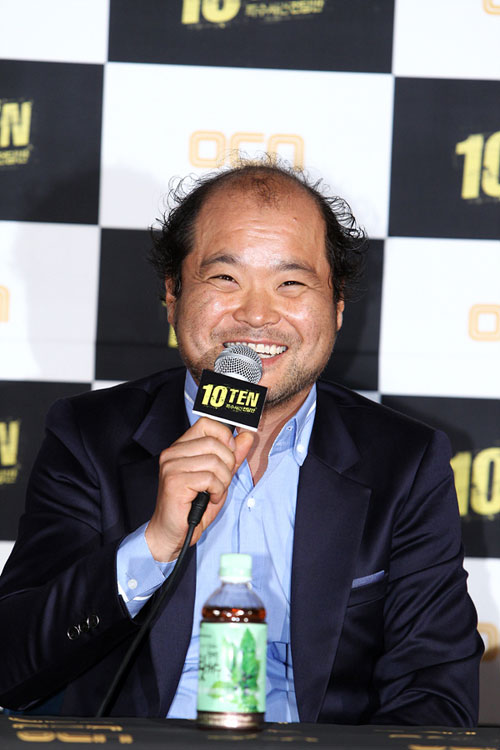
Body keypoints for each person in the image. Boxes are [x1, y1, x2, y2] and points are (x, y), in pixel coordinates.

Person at [0, 161, 483, 724]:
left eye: (291, 283)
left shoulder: (405, 461)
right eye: (225, 278)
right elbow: (12, 669)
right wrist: (153, 545)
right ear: (173, 293)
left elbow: (436, 695)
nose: (256, 314)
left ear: (338, 304)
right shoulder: (90, 437)